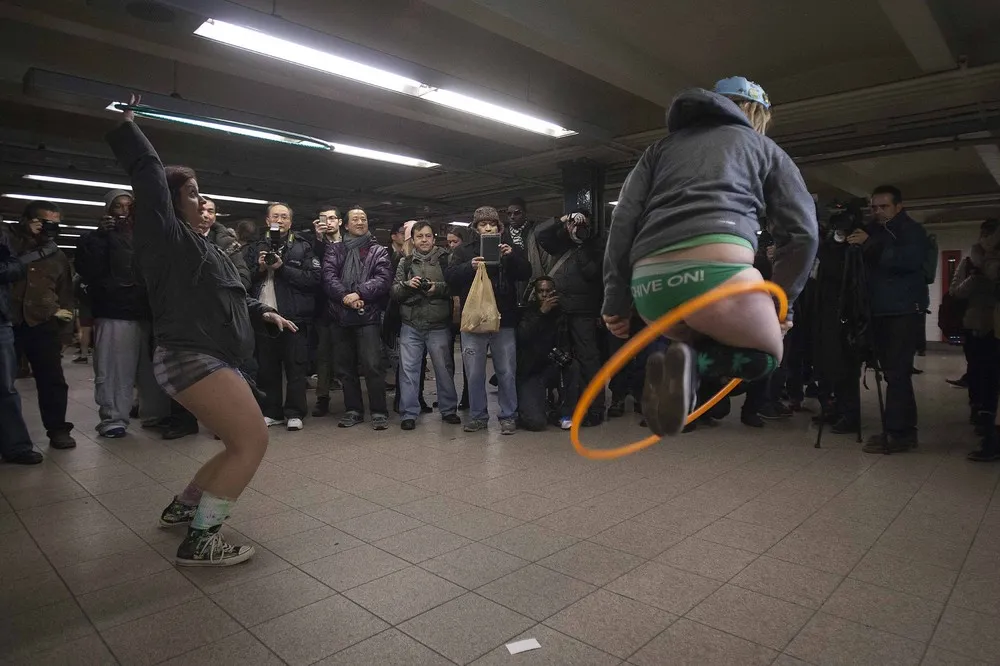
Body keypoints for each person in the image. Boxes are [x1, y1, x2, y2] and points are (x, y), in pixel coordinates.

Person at [106, 96, 297, 566]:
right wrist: (130, 127)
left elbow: (228, 294)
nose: (203, 201)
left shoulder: (201, 248)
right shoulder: (164, 236)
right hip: (192, 355)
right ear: (170, 202)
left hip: (207, 354)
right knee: (253, 441)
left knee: (237, 442)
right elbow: (149, 179)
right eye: (192, 192)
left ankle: (184, 507)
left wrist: (261, 312)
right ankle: (202, 538)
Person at [603, 76, 818, 437]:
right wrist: (783, 306)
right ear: (754, 111)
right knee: (768, 355)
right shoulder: (763, 148)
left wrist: (616, 301)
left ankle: (685, 364)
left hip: (652, 291)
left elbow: (622, 221)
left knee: (692, 331)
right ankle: (694, 362)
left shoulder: (658, 150)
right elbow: (803, 234)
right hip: (720, 279)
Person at [75, 189, 169, 438]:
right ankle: (113, 418)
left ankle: (154, 414)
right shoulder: (95, 238)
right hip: (115, 310)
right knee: (115, 369)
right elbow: (87, 270)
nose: (125, 211)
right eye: (119, 206)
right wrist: (99, 236)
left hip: (147, 312)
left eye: (130, 206)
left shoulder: (146, 237)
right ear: (108, 210)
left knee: (152, 371)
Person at [846, 185, 928, 453]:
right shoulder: (874, 231)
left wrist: (868, 244)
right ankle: (897, 429)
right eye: (874, 207)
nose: (878, 211)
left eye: (884, 206)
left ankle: (900, 433)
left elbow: (908, 260)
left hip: (902, 310)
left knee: (897, 373)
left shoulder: (911, 231)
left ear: (898, 207)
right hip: (880, 309)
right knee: (891, 372)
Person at [446, 206, 531, 434]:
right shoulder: (464, 251)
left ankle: (508, 415)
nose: (488, 227)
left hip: (504, 319)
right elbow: (450, 279)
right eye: (483, 224)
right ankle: (477, 416)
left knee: (506, 370)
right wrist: (469, 267)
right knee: (474, 372)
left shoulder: (510, 249)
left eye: (492, 223)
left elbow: (526, 273)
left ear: (498, 226)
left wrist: (511, 257)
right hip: (474, 320)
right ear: (475, 227)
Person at [1, 200, 78, 449]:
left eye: (55, 224)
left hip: (43, 321)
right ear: (27, 220)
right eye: (45, 223)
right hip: (9, 320)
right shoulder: (8, 240)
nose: (50, 228)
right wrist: (25, 236)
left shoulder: (57, 255)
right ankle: (10, 439)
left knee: (52, 379)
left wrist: (66, 334)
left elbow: (66, 294)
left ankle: (57, 429)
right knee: (5, 383)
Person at [247, 203, 319, 431]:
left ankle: (295, 412)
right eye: (276, 216)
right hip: (263, 314)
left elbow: (313, 279)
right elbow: (241, 280)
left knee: (295, 367)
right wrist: (259, 268)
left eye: (285, 216)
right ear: (267, 221)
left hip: (293, 315)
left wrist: (282, 267)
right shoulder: (253, 247)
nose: (281, 219)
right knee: (266, 367)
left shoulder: (302, 247)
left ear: (290, 221)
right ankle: (272, 411)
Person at [322, 206, 393, 429]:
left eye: (363, 219)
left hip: (368, 315)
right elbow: (328, 276)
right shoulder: (335, 250)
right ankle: (353, 410)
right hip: (340, 315)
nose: (360, 222)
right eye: (355, 219)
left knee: (373, 366)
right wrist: (345, 297)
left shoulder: (378, 251)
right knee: (345, 367)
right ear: (345, 225)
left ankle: (379, 411)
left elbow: (383, 278)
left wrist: (359, 293)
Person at [536, 209, 606, 425]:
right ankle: (563, 405)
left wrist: (581, 242)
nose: (576, 228)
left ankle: (595, 409)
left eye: (580, 224)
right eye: (573, 224)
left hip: (584, 312)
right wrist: (563, 220)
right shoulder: (560, 241)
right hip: (559, 310)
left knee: (589, 360)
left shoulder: (595, 244)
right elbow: (541, 234)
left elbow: (592, 273)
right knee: (561, 360)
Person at [391, 221, 461, 430]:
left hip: (438, 324)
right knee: (408, 370)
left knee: (443, 369)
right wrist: (406, 285)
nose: (424, 240)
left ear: (433, 238)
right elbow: (394, 291)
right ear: (413, 239)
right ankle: (409, 413)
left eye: (428, 236)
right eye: (419, 236)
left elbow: (455, 286)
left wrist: (436, 288)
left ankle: (448, 410)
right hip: (411, 323)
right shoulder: (405, 261)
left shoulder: (446, 259)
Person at [516, 276, 580, 431]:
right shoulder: (527, 311)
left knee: (573, 367)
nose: (544, 295)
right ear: (535, 293)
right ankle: (537, 407)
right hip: (531, 370)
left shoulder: (561, 312)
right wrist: (541, 313)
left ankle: (564, 413)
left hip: (553, 366)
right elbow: (522, 336)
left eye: (548, 291)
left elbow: (566, 342)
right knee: (536, 422)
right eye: (540, 291)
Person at [0, 224, 39, 464]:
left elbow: (16, 267)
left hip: (0, 319)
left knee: (5, 387)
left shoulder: (2, 234)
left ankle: (16, 446)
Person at [310, 205, 343, 417]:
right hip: (323, 307)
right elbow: (316, 270)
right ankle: (322, 398)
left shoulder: (350, 244)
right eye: (325, 218)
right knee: (323, 355)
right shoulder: (315, 245)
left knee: (347, 354)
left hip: (346, 304)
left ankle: (352, 396)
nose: (329, 222)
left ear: (340, 221)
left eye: (333, 218)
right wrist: (319, 240)